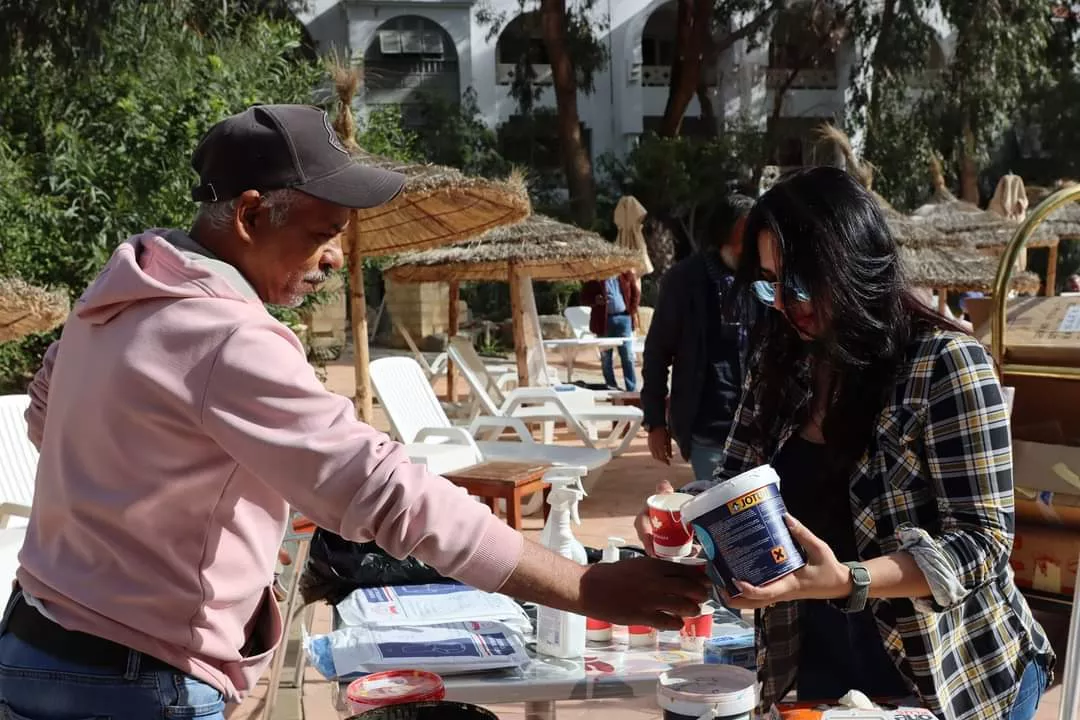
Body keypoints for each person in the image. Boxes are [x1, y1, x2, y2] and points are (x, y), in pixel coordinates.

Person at [0, 105, 709, 720]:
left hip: (32, 641)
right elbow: (388, 490)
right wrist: (584, 586)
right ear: (250, 215)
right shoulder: (228, 335)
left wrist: (160, 498)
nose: (338, 258)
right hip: (134, 676)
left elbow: (45, 413)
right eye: (324, 232)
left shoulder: (119, 291)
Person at [636, 167, 1053, 720]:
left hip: (957, 676)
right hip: (819, 666)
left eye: (801, 282)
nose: (784, 303)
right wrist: (685, 519)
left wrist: (848, 580)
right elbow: (732, 486)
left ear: (855, 264)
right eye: (769, 283)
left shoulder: (946, 364)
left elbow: (982, 542)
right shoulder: (777, 363)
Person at [641, 194, 757, 488]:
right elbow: (657, 352)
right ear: (723, 234)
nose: (751, 246)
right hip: (708, 429)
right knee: (721, 509)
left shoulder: (764, 279)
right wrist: (655, 422)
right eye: (745, 235)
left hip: (760, 429)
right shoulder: (684, 281)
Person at [580, 270, 639, 391]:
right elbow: (583, 298)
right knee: (606, 358)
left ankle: (631, 388)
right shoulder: (595, 277)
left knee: (627, 355)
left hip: (624, 319)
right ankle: (611, 386)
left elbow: (636, 293)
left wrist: (631, 311)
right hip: (603, 321)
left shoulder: (625, 274)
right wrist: (595, 300)